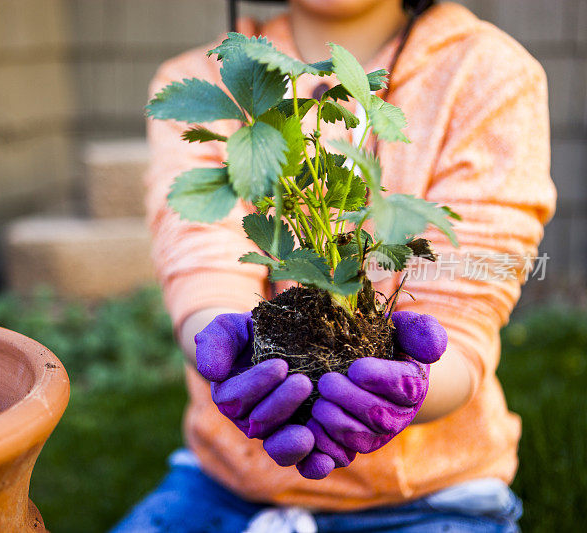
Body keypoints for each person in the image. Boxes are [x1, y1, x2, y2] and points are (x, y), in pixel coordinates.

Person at [112, 0, 556, 531]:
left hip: (433, 496)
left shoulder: (490, 74)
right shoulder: (208, 77)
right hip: (226, 485)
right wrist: (220, 336)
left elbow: (465, 314)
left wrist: (413, 388)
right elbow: (202, 258)